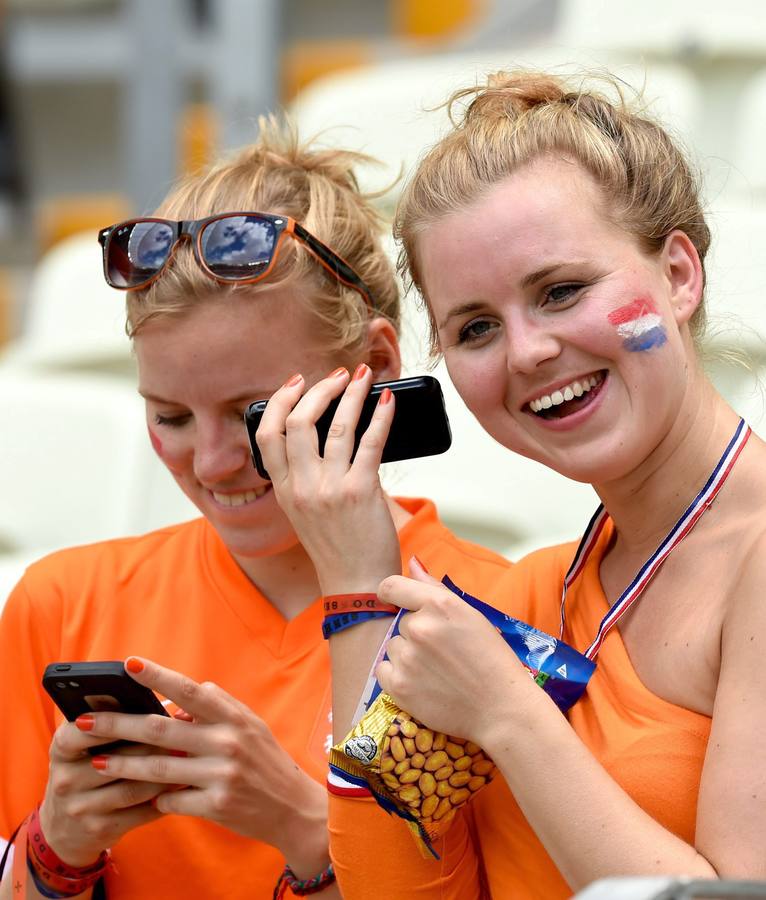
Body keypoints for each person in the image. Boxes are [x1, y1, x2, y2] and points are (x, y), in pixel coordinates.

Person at [256, 71, 766, 898]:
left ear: (678, 275)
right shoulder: (529, 599)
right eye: (477, 328)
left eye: (562, 291)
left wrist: (508, 714)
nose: (527, 352)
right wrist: (355, 586)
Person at [0, 119, 511, 899]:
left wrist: (304, 827)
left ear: (374, 366)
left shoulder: (497, 612)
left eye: (252, 414)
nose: (209, 463)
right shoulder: (63, 604)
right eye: (170, 416)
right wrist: (55, 851)